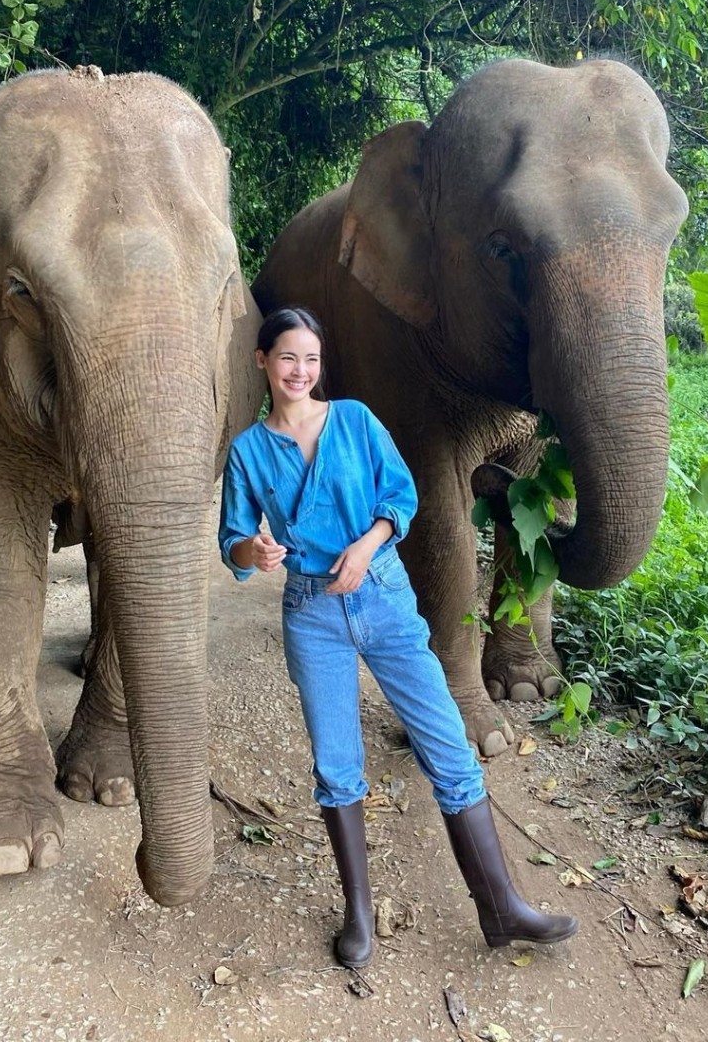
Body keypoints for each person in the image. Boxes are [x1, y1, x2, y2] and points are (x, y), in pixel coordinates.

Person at [218, 306, 578, 968]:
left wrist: (366, 545)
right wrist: (255, 551)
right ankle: (358, 913)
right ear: (262, 361)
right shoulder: (248, 451)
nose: (300, 371)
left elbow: (400, 495)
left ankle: (501, 907)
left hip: (382, 594)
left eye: (311, 359)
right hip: (311, 611)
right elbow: (233, 541)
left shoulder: (355, 420)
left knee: (447, 744)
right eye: (288, 357)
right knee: (336, 765)